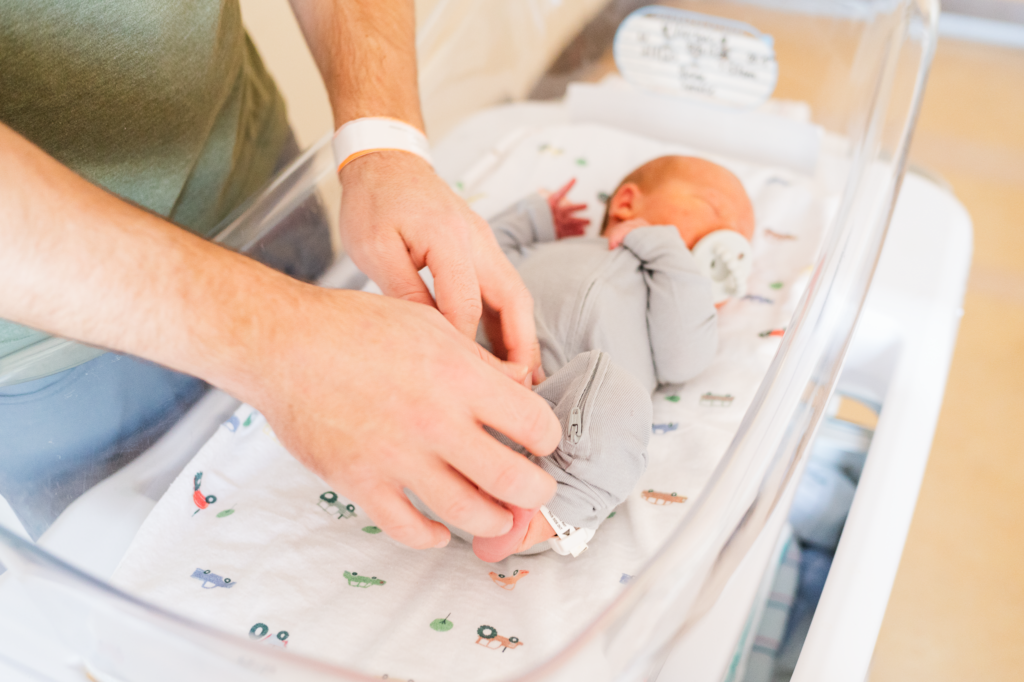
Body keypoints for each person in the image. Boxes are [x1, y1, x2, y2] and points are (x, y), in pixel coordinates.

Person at [0, 1, 562, 547]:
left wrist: (383, 142)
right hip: (50, 349)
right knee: (134, 565)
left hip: (259, 188)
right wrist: (285, 340)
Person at [467, 155, 756, 561]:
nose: (728, 240)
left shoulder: (671, 294)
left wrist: (670, 255)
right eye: (713, 210)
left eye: (741, 241)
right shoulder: (553, 249)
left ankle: (549, 517)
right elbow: (479, 258)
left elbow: (684, 358)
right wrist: (533, 218)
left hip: (554, 446)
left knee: (621, 396)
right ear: (626, 203)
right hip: (466, 396)